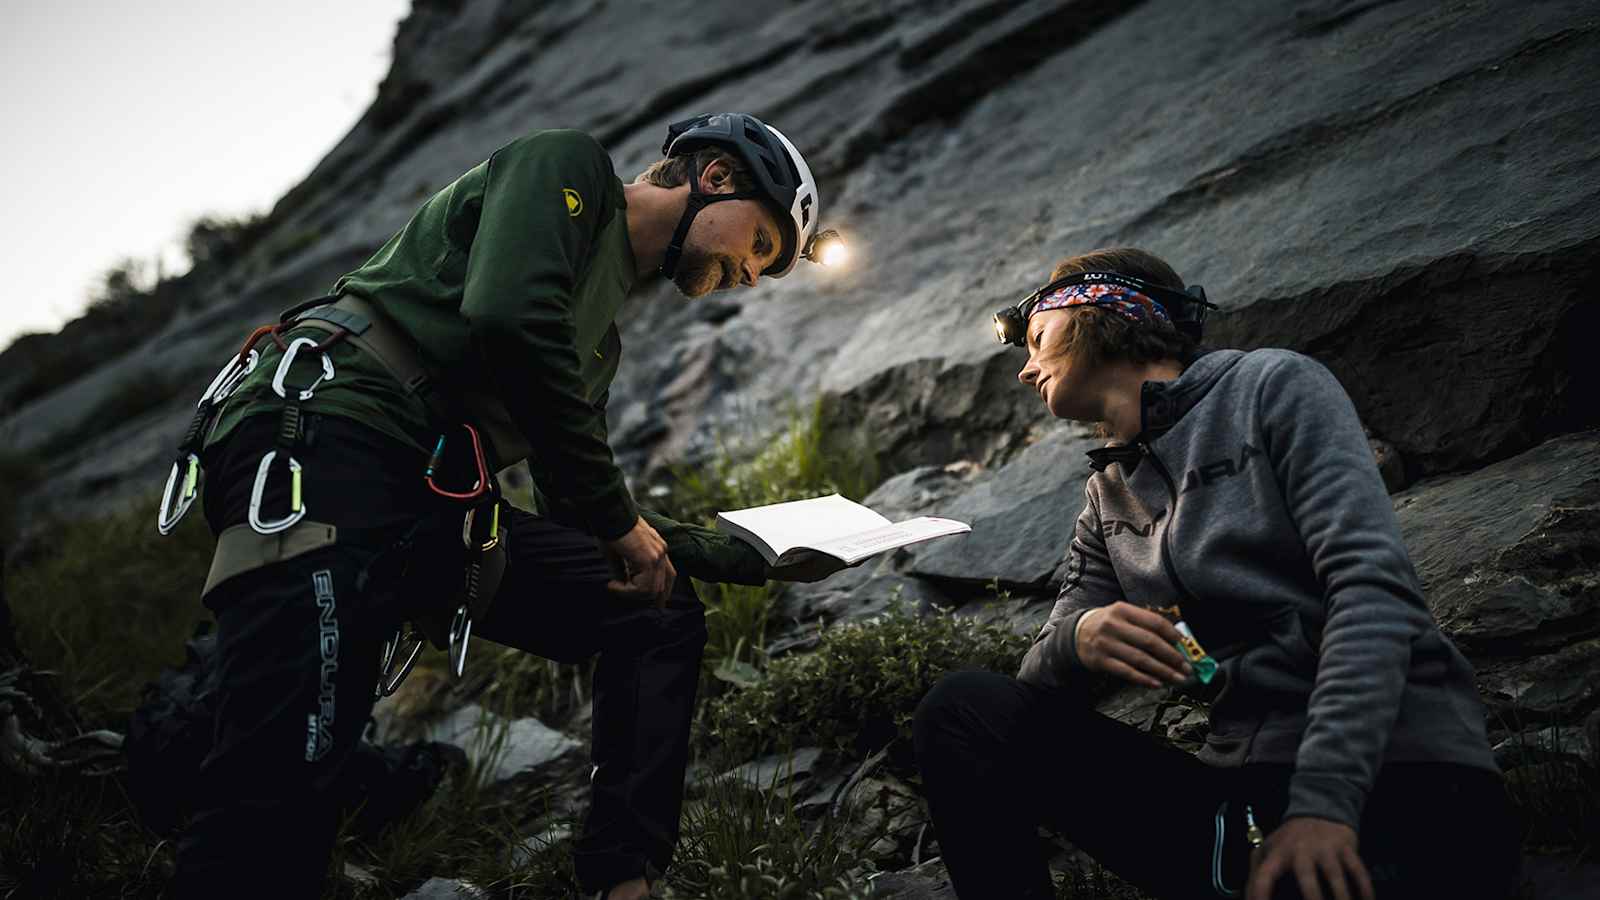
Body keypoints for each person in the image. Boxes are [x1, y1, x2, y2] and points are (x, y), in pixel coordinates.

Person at [159, 113, 842, 900]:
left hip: (422, 502)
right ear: (716, 178)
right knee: (281, 778)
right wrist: (621, 523)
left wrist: (748, 554)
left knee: (654, 616)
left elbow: (577, 511)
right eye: (758, 245)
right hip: (327, 441)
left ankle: (623, 878)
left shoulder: (597, 350)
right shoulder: (568, 169)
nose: (752, 274)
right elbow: (508, 313)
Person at [912, 248, 1519, 899]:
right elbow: (1034, 684)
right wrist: (1080, 635)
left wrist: (1324, 805)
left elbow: (1371, 590)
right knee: (966, 710)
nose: (1026, 369)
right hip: (1242, 806)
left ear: (1100, 308)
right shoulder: (1107, 493)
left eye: (1036, 338)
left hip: (1400, 780)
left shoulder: (1272, 388)